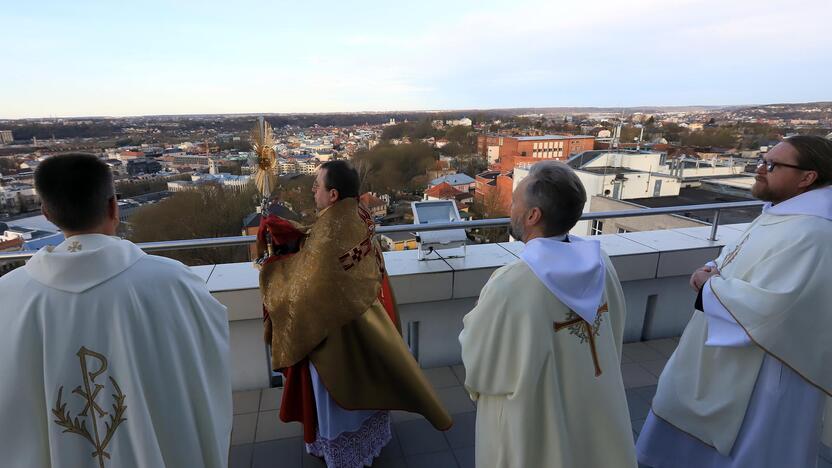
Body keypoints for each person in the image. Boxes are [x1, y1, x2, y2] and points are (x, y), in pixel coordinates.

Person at [0, 154, 232, 467]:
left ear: (46, 213)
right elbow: (207, 348)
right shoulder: (172, 280)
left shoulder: (8, 295)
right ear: (113, 207)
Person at [636, 135, 832, 467]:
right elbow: (743, 258)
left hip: (770, 371)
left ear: (807, 177)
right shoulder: (782, 214)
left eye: (772, 165)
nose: (759, 169)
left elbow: (777, 309)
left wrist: (709, 287)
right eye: (763, 160)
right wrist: (714, 268)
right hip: (736, 353)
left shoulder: (815, 233)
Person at [260, 160, 452, 467]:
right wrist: (295, 234)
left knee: (342, 398)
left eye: (317, 185)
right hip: (367, 325)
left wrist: (272, 271)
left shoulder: (330, 235)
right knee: (369, 383)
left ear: (333, 194)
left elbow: (302, 290)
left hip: (336, 341)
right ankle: (364, 442)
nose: (312, 191)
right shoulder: (356, 215)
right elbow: (319, 249)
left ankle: (343, 449)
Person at [459, 160, 637, 468]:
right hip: (597, 406)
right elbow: (614, 331)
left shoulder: (511, 284)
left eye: (515, 202)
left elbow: (481, 364)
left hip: (534, 423)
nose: (510, 208)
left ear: (532, 215)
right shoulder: (601, 262)